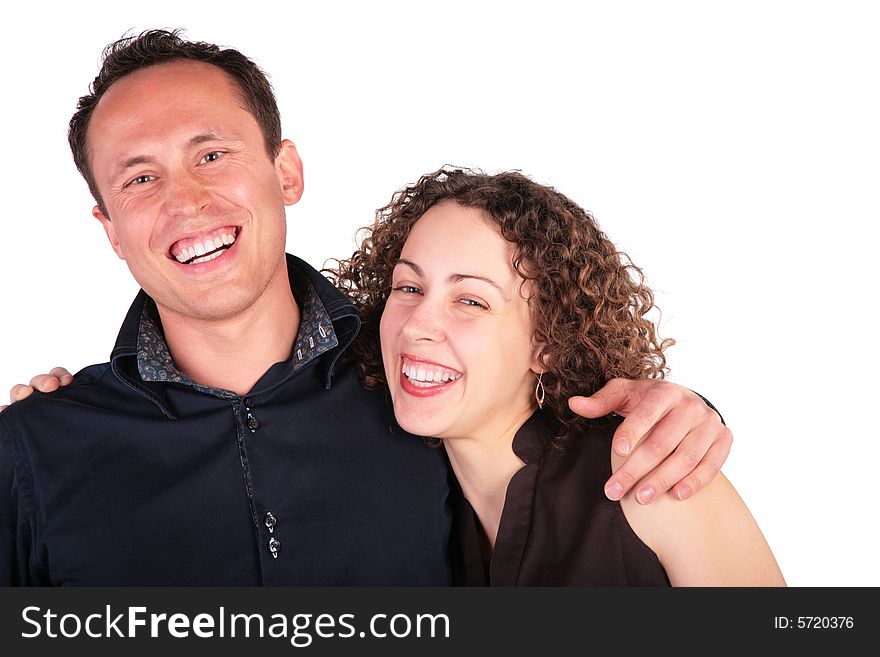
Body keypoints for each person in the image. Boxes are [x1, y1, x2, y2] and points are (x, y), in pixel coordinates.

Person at [0, 29, 730, 586]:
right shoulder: (31, 451)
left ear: (286, 171)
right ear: (110, 232)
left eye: (212, 155)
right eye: (139, 177)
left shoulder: (419, 383)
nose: (186, 200)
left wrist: (684, 408)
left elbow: (549, 416)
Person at [327, 167, 784, 585]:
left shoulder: (650, 478)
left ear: (547, 341)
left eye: (471, 300)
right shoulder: (407, 501)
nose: (415, 326)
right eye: (408, 288)